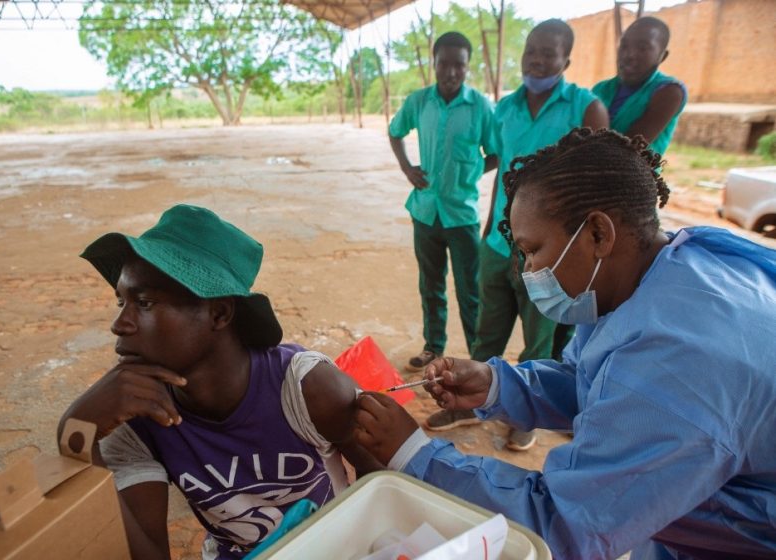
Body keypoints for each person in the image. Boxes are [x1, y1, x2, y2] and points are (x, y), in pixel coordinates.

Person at [354, 128, 776, 559]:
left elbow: (565, 524)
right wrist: (499, 385)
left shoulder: (681, 365)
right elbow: (595, 380)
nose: (525, 271)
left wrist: (413, 454)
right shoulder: (662, 270)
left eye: (532, 250)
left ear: (597, 234)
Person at [58, 204, 379, 560]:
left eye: (145, 302)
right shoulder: (136, 420)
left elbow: (381, 485)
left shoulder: (307, 388)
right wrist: (77, 437)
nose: (119, 324)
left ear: (219, 313)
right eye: (121, 301)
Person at [424, 20, 609, 453]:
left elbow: (598, 186)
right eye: (531, 52)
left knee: (538, 341)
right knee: (486, 334)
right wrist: (491, 228)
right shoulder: (505, 108)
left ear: (567, 60)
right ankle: (469, 403)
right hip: (498, 244)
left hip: (550, 253)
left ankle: (526, 415)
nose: (537, 60)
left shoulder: (586, 108)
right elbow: (503, 172)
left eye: (548, 53)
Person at [388, 31, 497, 374]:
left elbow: (495, 152)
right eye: (444, 64)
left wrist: (473, 171)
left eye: (459, 65)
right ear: (434, 64)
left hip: (462, 214)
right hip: (425, 212)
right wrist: (407, 168)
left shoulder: (480, 106)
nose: (451, 72)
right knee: (431, 285)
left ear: (467, 68)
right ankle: (433, 347)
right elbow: (395, 131)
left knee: (471, 291)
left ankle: (477, 359)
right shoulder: (419, 102)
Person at [593, 16, 686, 156]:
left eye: (643, 48)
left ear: (662, 56)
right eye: (623, 46)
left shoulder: (670, 92)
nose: (629, 55)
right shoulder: (601, 89)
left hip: (633, 176)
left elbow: (629, 150)